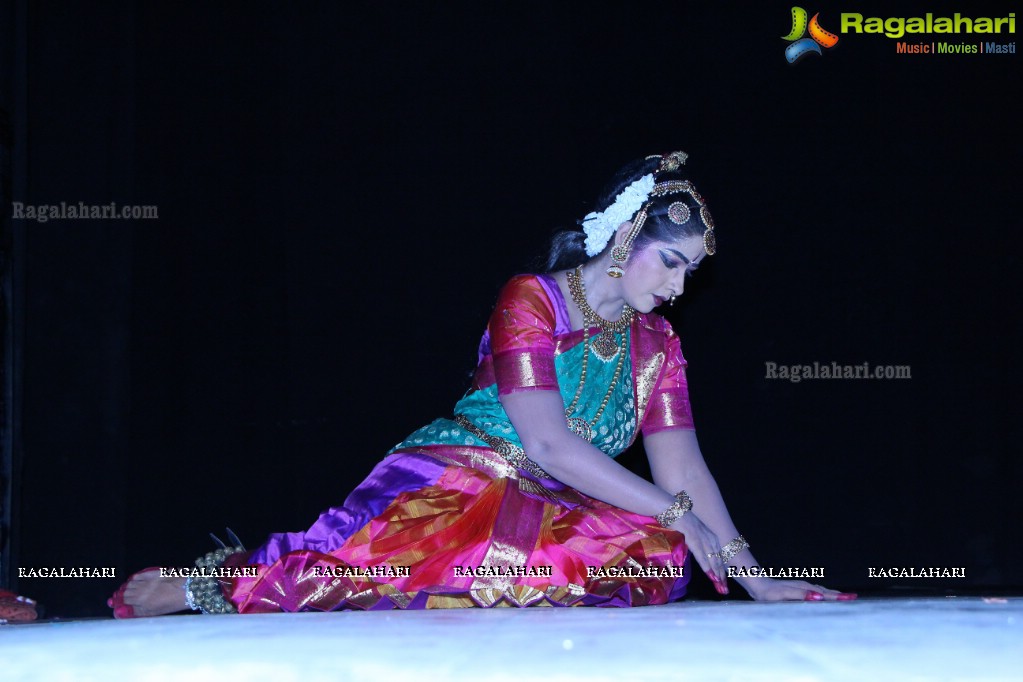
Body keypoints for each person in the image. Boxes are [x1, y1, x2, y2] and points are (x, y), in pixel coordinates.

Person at [110, 151, 855, 617]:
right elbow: (546, 441)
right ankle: (207, 587)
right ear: (625, 244)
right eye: (670, 261)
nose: (680, 284)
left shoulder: (657, 343)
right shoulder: (531, 299)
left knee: (658, 555)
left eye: (691, 270)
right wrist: (676, 510)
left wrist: (753, 576)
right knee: (388, 561)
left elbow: (684, 469)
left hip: (555, 505)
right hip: (461, 479)